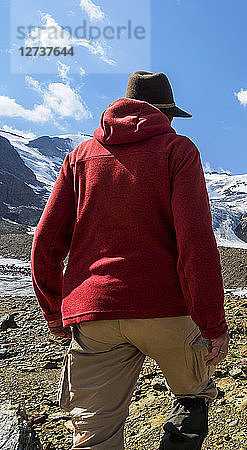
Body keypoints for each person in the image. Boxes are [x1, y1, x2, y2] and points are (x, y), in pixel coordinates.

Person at [31, 71, 229, 449]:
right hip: (164, 309)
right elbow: (196, 244)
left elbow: (45, 241)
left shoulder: (80, 157)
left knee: (94, 435)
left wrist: (55, 314)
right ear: (165, 113)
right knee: (194, 394)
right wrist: (212, 324)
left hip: (94, 314)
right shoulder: (177, 150)